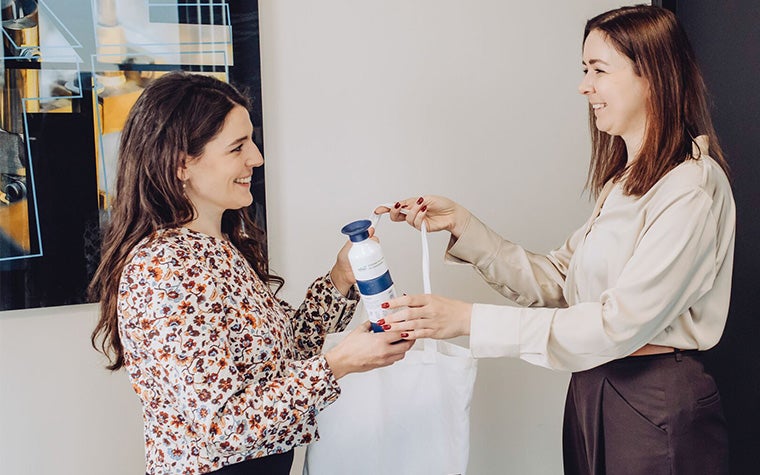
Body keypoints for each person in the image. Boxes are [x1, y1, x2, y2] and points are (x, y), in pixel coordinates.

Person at [376, 5, 734, 474]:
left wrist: (468, 320)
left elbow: (617, 325)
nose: (585, 86)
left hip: (653, 399)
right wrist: (462, 224)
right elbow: (560, 281)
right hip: (594, 386)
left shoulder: (690, 188)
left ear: (652, 76)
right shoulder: (625, 184)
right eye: (584, 70)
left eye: (599, 70)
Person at [89, 71, 413, 475]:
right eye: (237, 147)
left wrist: (340, 277)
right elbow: (223, 427)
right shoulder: (165, 268)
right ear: (180, 164)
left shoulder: (218, 247)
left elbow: (282, 358)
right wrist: (338, 364)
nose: (256, 158)